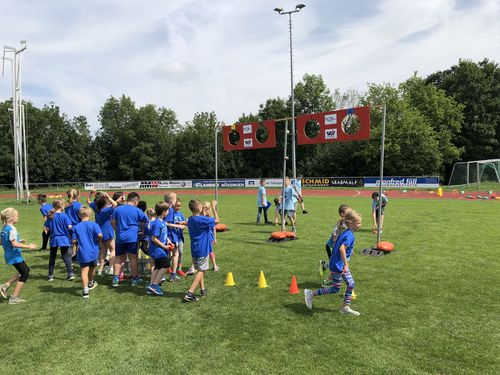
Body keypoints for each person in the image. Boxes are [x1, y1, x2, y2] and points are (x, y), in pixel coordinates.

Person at [304, 210, 362, 316]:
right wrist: (346, 264)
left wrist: (349, 251)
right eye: (358, 223)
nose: (360, 225)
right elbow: (341, 249)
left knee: (351, 284)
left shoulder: (346, 233)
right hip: (338, 266)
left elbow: (340, 246)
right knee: (335, 289)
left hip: (337, 264)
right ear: (351, 223)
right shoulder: (349, 235)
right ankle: (310, 294)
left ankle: (345, 307)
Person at [183, 199, 218, 302]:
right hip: (203, 249)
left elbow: (202, 220)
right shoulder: (202, 220)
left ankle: (203, 290)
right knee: (202, 270)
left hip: (194, 249)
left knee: (199, 269)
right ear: (199, 208)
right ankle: (190, 293)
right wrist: (214, 207)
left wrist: (203, 212)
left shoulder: (191, 219)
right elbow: (216, 221)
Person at [111, 192, 148, 287]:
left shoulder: (117, 209)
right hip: (132, 238)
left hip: (120, 237)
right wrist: (143, 230)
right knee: (133, 258)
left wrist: (117, 230)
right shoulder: (137, 210)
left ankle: (115, 279)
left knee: (118, 258)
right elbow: (145, 221)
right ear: (136, 201)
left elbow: (113, 222)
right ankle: (135, 278)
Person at [0, 208, 36, 305]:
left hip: (9, 255)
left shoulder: (4, 228)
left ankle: (5, 285)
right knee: (25, 273)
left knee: (24, 271)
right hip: (14, 255)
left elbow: (3, 241)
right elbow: (14, 244)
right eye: (17, 216)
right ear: (11, 218)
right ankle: (14, 298)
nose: (18, 218)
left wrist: (19, 241)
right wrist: (29, 246)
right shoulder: (12, 229)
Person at [74, 206, 103, 299]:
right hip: (94, 250)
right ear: (89, 215)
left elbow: (73, 240)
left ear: (79, 215)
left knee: (84, 271)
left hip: (83, 251)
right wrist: (98, 239)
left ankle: (85, 290)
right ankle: (91, 282)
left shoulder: (76, 227)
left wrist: (78, 241)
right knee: (92, 267)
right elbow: (100, 235)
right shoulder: (94, 225)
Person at [319, 204, 351, 278]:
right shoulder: (340, 224)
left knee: (337, 265)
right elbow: (334, 236)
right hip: (331, 246)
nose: (350, 213)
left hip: (337, 247)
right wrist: (335, 248)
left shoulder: (347, 224)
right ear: (342, 214)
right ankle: (329, 281)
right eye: (348, 212)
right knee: (336, 266)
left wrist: (347, 248)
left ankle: (324, 265)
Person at [45, 199, 74, 281]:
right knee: (66, 257)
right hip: (64, 238)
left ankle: (50, 276)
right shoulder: (65, 216)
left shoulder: (51, 216)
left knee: (52, 257)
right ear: (61, 206)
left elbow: (47, 228)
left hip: (54, 238)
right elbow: (69, 227)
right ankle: (70, 274)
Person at [147, 202, 171, 296]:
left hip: (159, 248)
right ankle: (155, 285)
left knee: (157, 267)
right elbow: (154, 238)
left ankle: (150, 286)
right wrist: (164, 246)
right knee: (166, 265)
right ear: (164, 212)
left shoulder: (162, 222)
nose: (169, 211)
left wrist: (168, 240)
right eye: (168, 210)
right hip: (157, 249)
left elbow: (163, 234)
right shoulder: (157, 223)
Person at [94, 192, 118, 276]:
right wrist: (108, 197)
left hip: (100, 232)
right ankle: (110, 268)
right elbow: (115, 204)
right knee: (113, 250)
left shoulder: (98, 210)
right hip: (107, 232)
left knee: (103, 252)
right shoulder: (106, 211)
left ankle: (100, 269)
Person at [169, 198, 187, 277]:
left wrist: (182, 222)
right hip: (172, 237)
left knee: (181, 253)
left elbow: (185, 222)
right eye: (177, 206)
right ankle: (169, 267)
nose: (178, 208)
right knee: (171, 254)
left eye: (180, 206)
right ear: (173, 205)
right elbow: (168, 223)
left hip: (179, 236)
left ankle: (179, 269)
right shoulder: (170, 213)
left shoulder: (180, 214)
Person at [65, 189, 82, 260]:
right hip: (77, 225)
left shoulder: (67, 205)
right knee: (77, 242)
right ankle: (75, 255)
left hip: (68, 226)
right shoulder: (79, 205)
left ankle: (72, 254)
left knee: (71, 242)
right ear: (77, 196)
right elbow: (81, 216)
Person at [202, 201, 219, 272]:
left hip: (207, 237)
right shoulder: (209, 218)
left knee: (208, 251)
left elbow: (213, 229)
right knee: (209, 251)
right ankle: (214, 266)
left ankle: (214, 265)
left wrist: (214, 238)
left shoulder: (206, 218)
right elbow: (214, 227)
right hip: (207, 237)